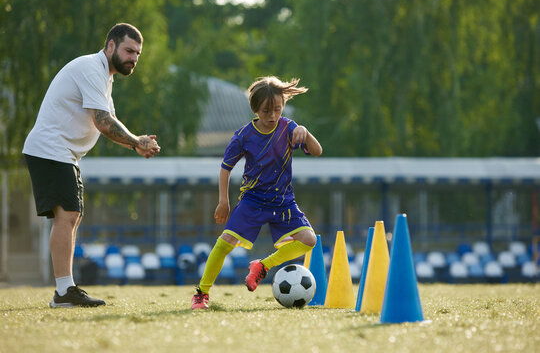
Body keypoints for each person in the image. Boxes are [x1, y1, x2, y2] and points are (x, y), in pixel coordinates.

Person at [22, 23, 160, 308]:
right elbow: (103, 122)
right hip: (51, 149)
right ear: (110, 45)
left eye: (137, 53)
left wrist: (136, 143)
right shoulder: (90, 68)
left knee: (72, 215)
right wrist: (137, 141)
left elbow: (109, 125)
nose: (133, 58)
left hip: (63, 153)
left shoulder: (104, 78)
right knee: (68, 214)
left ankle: (65, 289)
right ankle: (63, 291)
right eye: (128, 50)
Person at [191, 76, 322, 309]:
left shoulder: (289, 128)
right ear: (255, 109)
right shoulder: (243, 135)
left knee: (309, 240)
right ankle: (202, 293)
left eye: (277, 110)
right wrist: (224, 201)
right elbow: (225, 168)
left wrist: (305, 131)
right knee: (225, 242)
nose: (272, 116)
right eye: (266, 111)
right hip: (252, 201)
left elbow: (317, 151)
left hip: (283, 203)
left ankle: (262, 266)